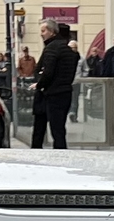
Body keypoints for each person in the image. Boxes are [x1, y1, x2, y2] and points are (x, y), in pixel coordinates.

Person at [31, 22, 80, 150]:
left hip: (49, 93)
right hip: (64, 92)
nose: (41, 34)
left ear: (52, 32)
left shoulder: (51, 48)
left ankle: (38, 156)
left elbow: (46, 72)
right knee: (59, 130)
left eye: (43, 31)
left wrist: (39, 84)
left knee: (40, 130)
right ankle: (61, 155)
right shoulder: (69, 51)